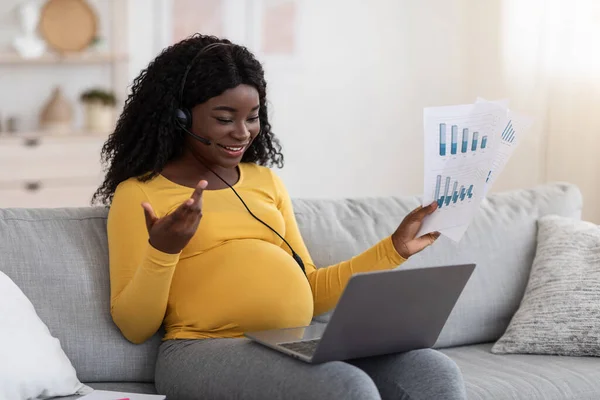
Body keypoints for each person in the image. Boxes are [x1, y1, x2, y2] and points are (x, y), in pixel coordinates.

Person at [93, 34, 467, 400]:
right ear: (179, 117)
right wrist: (164, 250)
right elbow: (135, 326)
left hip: (292, 342)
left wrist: (394, 250)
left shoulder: (265, 181)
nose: (243, 133)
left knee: (431, 371)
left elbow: (311, 290)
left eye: (252, 117)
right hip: (199, 351)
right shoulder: (140, 193)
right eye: (225, 118)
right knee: (343, 385)